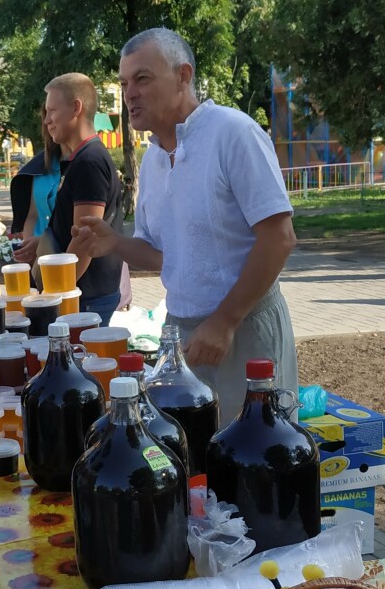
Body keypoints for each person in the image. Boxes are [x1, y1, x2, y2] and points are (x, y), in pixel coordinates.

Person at [71, 28, 298, 417]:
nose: (130, 93)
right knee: (191, 459)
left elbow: (279, 238)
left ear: (183, 76)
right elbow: (165, 254)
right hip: (181, 334)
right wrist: (114, 242)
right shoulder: (154, 158)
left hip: (244, 325)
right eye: (125, 82)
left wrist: (225, 321)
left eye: (143, 78)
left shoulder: (233, 133)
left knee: (251, 460)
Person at [14, 75, 124, 325]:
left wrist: (52, 296)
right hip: (81, 294)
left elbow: (85, 239)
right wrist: (45, 240)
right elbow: (76, 228)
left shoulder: (89, 162)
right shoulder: (80, 159)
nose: (46, 120)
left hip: (84, 297)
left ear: (76, 108)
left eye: (52, 110)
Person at [8, 124, 61, 240]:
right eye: (46, 114)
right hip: (40, 254)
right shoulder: (39, 165)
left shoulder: (83, 163)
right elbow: (33, 216)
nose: (47, 121)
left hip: (67, 255)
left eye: (53, 111)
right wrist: (29, 250)